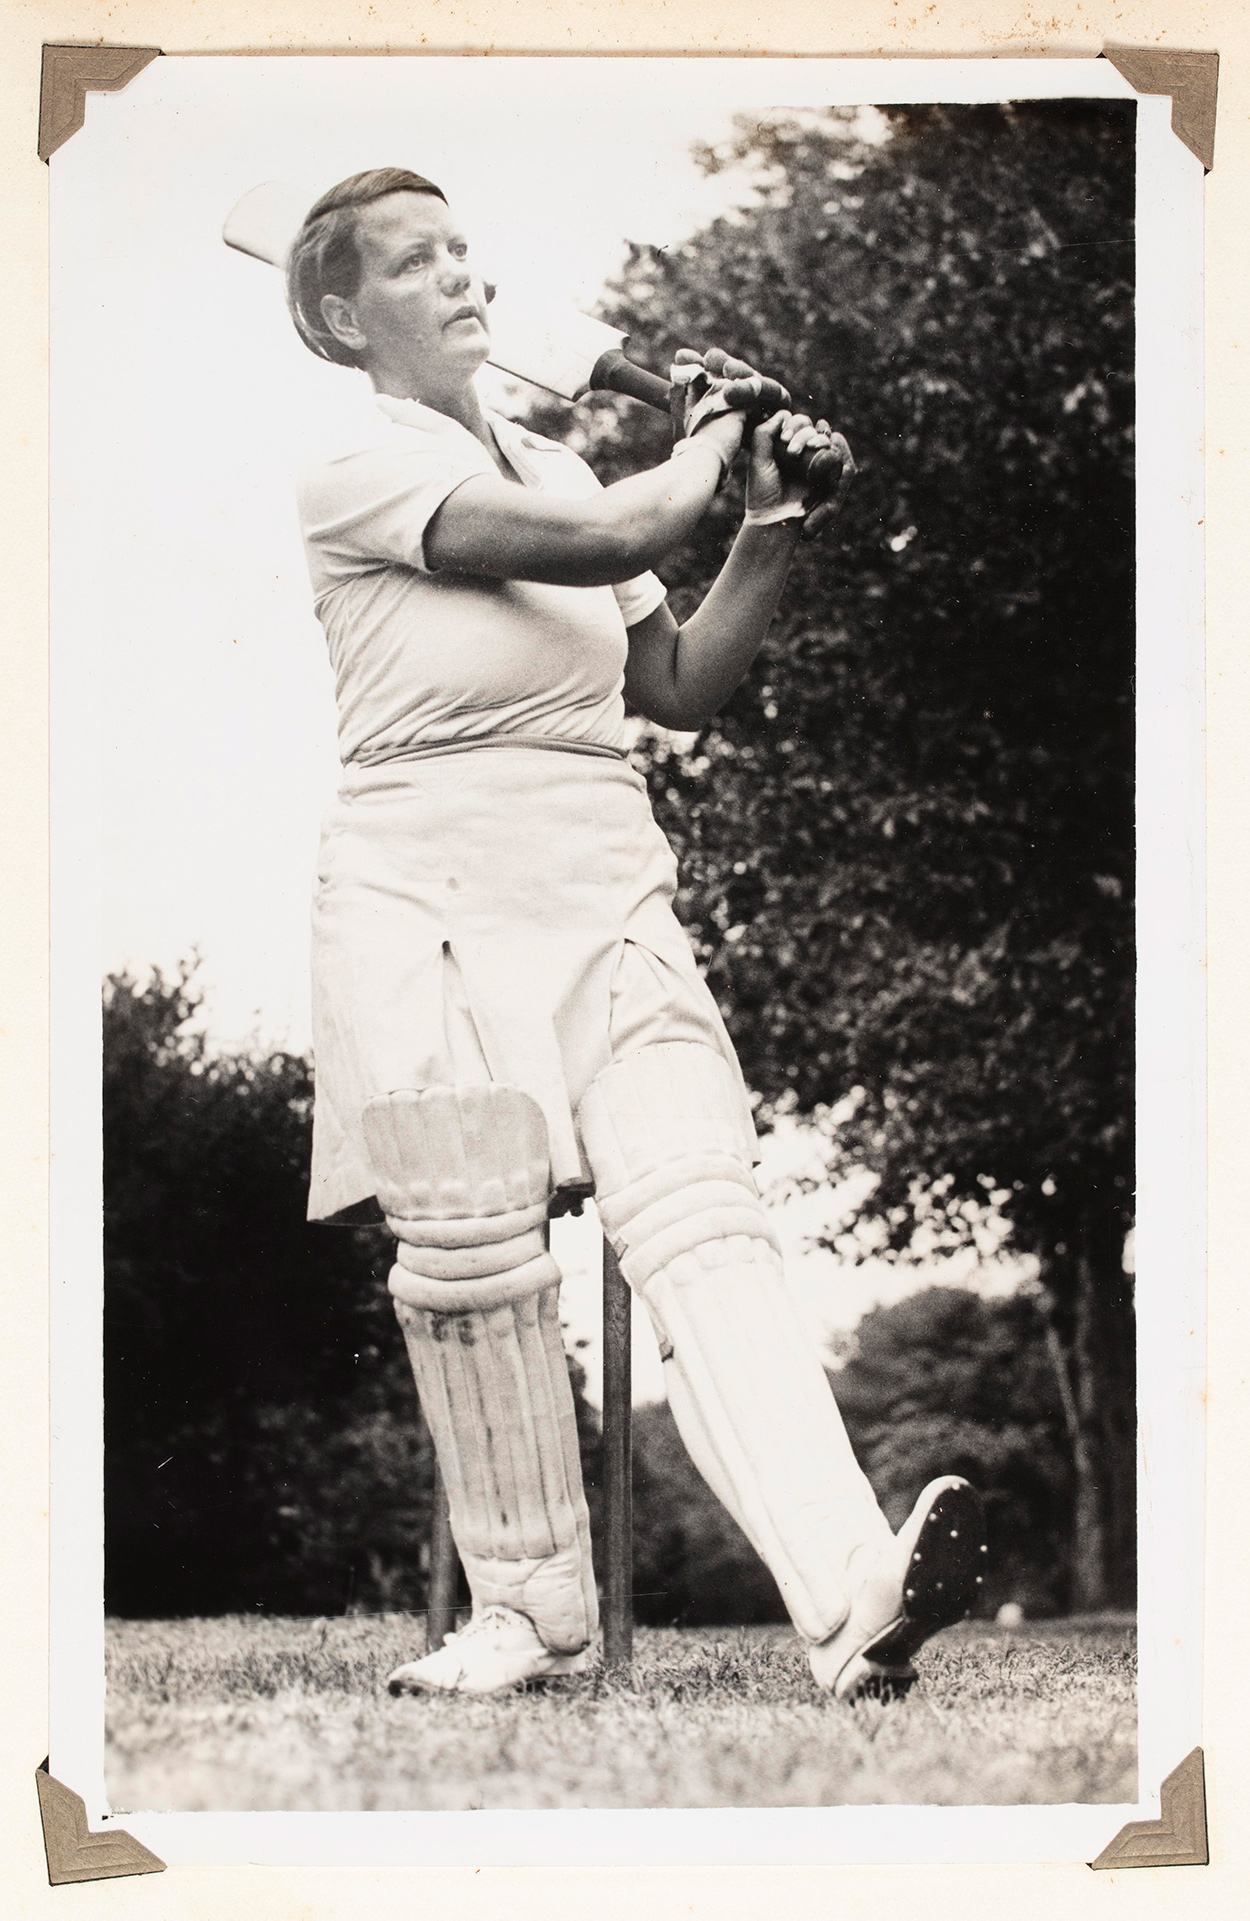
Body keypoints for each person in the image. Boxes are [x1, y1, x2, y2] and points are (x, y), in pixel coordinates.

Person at [285, 167, 984, 1701]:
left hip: (603, 862)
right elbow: (616, 536)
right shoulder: (351, 459)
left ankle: (851, 1595)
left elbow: (671, 685)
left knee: (702, 1213)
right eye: (415, 263)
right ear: (342, 316)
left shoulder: (543, 452)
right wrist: (711, 440)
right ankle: (526, 1615)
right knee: (471, 1256)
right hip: (423, 874)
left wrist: (771, 520)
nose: (463, 277)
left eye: (467, 249)